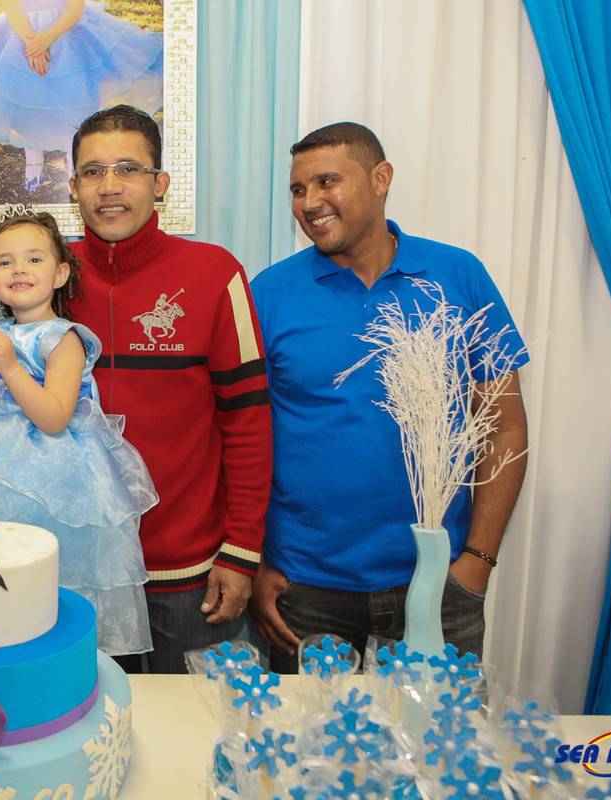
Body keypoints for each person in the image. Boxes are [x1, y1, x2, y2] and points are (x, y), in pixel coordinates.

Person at [249, 122, 529, 674]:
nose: (309, 202)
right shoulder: (269, 292)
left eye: (327, 182)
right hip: (305, 590)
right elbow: (240, 437)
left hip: (438, 582)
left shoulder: (457, 276)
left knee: (440, 731)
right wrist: (252, 561)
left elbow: (503, 426)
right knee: (311, 733)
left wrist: (477, 560)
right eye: (298, 189)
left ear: (381, 179)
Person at [66, 105, 273, 673]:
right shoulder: (47, 275)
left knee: (197, 725)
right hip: (79, 574)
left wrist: (242, 551)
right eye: (93, 172)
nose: (109, 187)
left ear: (159, 183)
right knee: (84, 722)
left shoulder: (215, 273)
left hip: (191, 578)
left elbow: (249, 421)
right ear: (73, 188)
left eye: (128, 169)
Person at [0, 208, 156, 657]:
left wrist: (10, 365)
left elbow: (54, 416)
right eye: (5, 261)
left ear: (60, 274)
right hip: (0, 475)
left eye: (34, 259)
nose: (19, 269)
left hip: (60, 479)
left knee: (56, 577)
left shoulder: (64, 338)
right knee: (4, 576)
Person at [0, 0, 162, 193]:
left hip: (67, 31)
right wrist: (33, 44)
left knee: (73, 95)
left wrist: (46, 38)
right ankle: (33, 156)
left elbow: (75, 7)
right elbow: (11, 7)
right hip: (21, 34)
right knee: (26, 95)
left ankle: (73, 156)